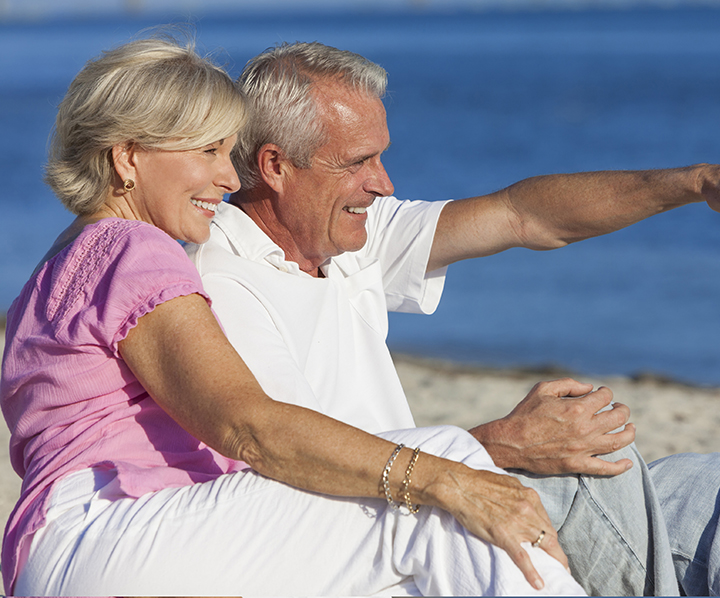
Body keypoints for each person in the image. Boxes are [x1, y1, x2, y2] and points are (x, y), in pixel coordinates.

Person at [186, 41, 720, 596]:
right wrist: (498, 445)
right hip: (378, 552)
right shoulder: (221, 284)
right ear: (275, 166)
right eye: (359, 163)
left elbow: (523, 215)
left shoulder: (344, 236)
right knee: (597, 488)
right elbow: (286, 483)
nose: (383, 183)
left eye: (380, 157)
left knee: (710, 490)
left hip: (432, 497)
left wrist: (696, 181)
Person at [0, 36, 589, 597]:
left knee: (411, 547)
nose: (230, 178)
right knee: (441, 474)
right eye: (207, 151)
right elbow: (249, 427)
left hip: (79, 548)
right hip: (111, 532)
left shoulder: (58, 266)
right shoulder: (135, 250)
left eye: (229, 153)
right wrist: (449, 475)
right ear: (128, 157)